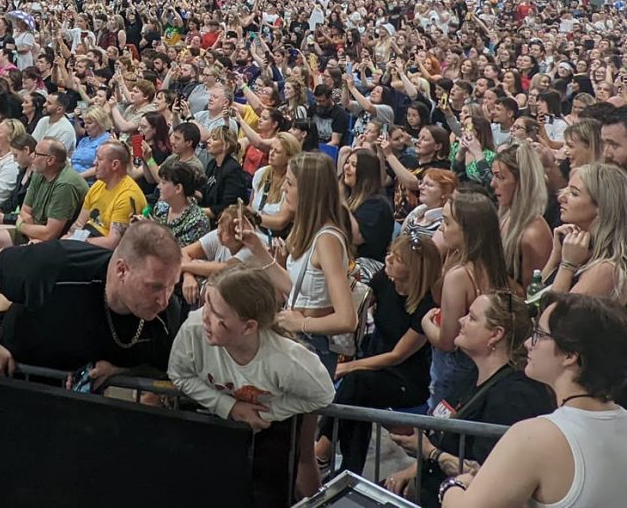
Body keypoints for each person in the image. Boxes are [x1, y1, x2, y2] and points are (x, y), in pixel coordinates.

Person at [437, 294, 627, 508]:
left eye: (538, 335)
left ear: (569, 356)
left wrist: (455, 485)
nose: (528, 343)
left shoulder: (533, 437)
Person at [169, 265, 335, 506]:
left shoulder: (287, 359)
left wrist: (269, 412)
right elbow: (179, 374)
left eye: (218, 315)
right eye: (206, 303)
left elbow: (323, 394)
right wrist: (230, 407)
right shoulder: (194, 329)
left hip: (274, 434)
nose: (204, 316)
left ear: (249, 327)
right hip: (217, 424)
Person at [386, 291, 555, 506]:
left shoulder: (513, 397)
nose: (460, 320)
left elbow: (490, 474)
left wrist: (430, 452)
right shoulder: (471, 378)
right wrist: (412, 471)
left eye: (472, 318)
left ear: (496, 334)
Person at [0, 220, 183, 380]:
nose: (163, 299)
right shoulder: (58, 265)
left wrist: (118, 371)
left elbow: (166, 369)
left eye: (172, 285)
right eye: (154, 286)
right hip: (18, 374)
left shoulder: (166, 312)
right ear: (122, 270)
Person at [316, 232, 441, 476]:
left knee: (357, 382)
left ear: (415, 269)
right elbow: (357, 304)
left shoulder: (425, 306)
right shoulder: (385, 278)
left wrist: (350, 366)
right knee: (360, 396)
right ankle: (348, 471)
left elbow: (397, 356)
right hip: (374, 365)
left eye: (398, 258)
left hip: (405, 378)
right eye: (390, 253)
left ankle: (322, 449)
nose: (389, 259)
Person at [241, 152, 357, 376]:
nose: (284, 188)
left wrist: (301, 324)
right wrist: (256, 247)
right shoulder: (306, 231)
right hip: (298, 339)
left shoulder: (327, 240)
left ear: (308, 191)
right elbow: (294, 288)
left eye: (290, 183)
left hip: (314, 347)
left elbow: (347, 319)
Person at [423, 192, 516, 411]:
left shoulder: (459, 275)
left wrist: (425, 322)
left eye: (446, 222)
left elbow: (447, 341)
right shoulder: (495, 267)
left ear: (468, 231)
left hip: (455, 367)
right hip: (485, 361)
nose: (441, 228)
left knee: (441, 430)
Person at [0, 138, 88, 255]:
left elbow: (50, 233)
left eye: (36, 154)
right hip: (35, 228)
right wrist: (28, 227)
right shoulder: (39, 172)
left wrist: (21, 225)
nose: (32, 156)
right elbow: (25, 210)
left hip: (53, 239)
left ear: (50, 160)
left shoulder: (65, 185)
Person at [540, 162, 627, 302]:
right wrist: (556, 256)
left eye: (574, 193)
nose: (560, 197)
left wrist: (568, 265)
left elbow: (552, 318)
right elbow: (535, 299)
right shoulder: (577, 249)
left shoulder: (606, 270)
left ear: (601, 208)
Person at [491, 142, 552, 288]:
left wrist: (487, 269)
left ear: (521, 182)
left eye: (500, 177)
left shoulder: (533, 234)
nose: (492, 183)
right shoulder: (506, 215)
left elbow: (532, 298)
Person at [69, 140, 146, 249]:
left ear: (114, 164)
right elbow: (79, 223)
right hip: (85, 238)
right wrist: (67, 239)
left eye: (99, 159)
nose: (94, 163)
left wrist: (79, 242)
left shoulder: (127, 195)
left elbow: (112, 243)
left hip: (102, 250)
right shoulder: (99, 185)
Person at [341, 147, 394, 274]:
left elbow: (356, 237)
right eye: (347, 163)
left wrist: (341, 201)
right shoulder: (349, 195)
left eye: (353, 165)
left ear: (365, 173)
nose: (346, 168)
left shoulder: (377, 204)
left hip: (367, 265)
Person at [249, 131, 301, 244]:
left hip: (276, 240)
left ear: (289, 157)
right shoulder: (260, 173)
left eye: (277, 151)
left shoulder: (292, 183)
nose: (271, 153)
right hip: (254, 232)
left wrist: (252, 217)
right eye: (271, 149)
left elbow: (280, 223)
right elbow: (251, 206)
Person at [152, 159, 209, 247]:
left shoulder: (198, 222)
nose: (159, 187)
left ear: (178, 188)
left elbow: (181, 254)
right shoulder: (160, 208)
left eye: (164, 183)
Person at [200, 128, 249, 220]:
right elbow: (204, 191)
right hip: (208, 215)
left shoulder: (233, 170)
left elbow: (227, 207)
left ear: (226, 145)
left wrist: (197, 212)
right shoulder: (212, 164)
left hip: (225, 220)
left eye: (214, 139)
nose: (208, 141)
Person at [401, 168, 457, 244]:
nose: (420, 187)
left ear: (444, 193)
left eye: (429, 185)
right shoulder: (416, 212)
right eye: (422, 183)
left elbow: (432, 254)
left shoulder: (443, 223)